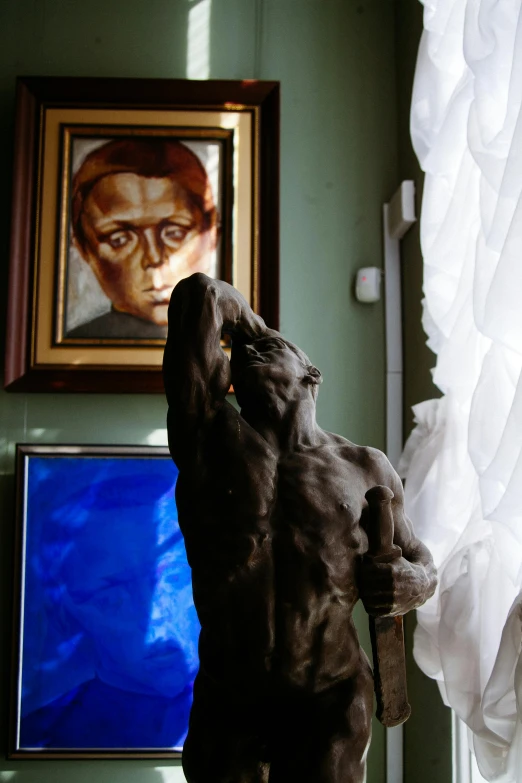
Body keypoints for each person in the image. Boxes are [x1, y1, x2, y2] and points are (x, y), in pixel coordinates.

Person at [163, 273, 437, 783]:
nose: (249, 352)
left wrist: (411, 583)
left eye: (270, 348)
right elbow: (199, 294)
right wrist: (253, 325)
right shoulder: (210, 445)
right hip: (231, 699)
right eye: (240, 351)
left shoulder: (365, 467)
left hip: (328, 697)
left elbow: (422, 562)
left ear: (311, 374)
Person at [67, 138, 219, 339]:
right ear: (84, 248)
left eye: (175, 232)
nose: (154, 258)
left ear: (212, 233)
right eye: (119, 239)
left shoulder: (240, 343)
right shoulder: (78, 343)